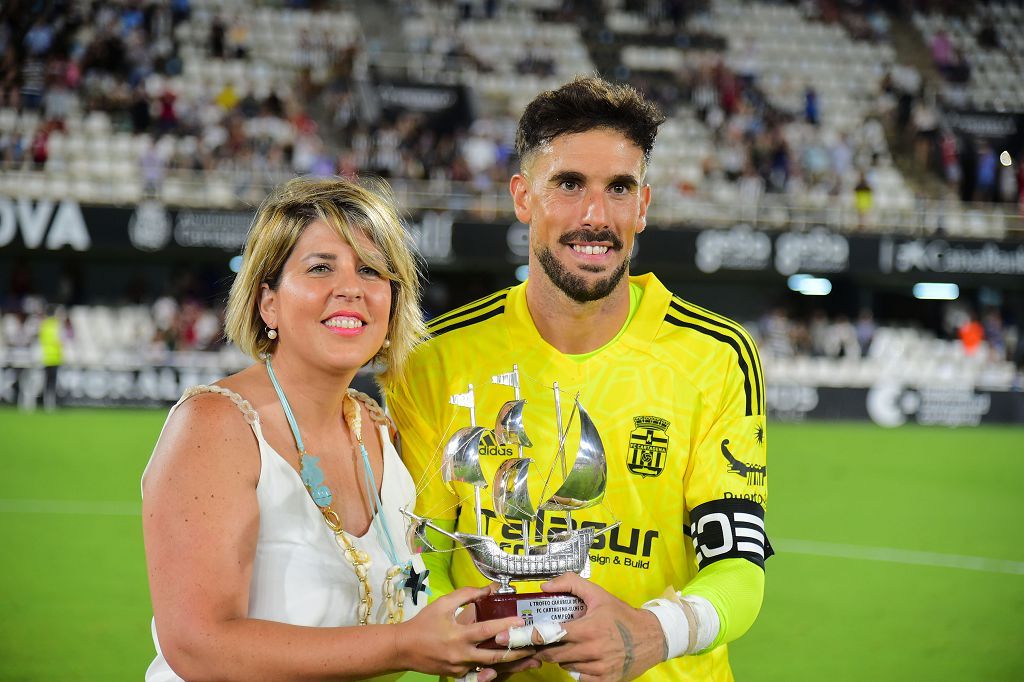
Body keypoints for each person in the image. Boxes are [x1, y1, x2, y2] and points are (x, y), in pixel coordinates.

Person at [387, 77, 771, 681]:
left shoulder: (716, 354)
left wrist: (657, 632)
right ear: (522, 197)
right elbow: (418, 551)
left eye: (619, 188)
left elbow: (741, 568)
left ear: (643, 206)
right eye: (568, 185)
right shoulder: (436, 356)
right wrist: (459, 639)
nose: (595, 216)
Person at [141, 177, 535, 682]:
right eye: (321, 267)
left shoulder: (378, 430)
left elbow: (390, 608)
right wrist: (404, 646)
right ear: (269, 303)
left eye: (371, 270)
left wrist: (467, 642)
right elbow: (197, 646)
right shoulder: (216, 425)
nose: (350, 287)